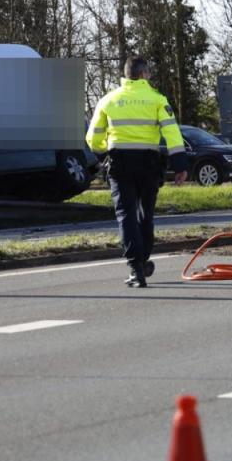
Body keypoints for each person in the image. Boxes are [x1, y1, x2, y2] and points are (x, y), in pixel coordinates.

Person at [86, 57, 189, 288]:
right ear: (143, 74)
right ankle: (142, 260)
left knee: (126, 214)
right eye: (149, 73)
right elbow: (172, 134)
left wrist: (104, 156)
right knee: (145, 214)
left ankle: (135, 267)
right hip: (149, 163)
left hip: (120, 163)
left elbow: (93, 138)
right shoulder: (157, 100)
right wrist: (180, 165)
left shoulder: (108, 100)